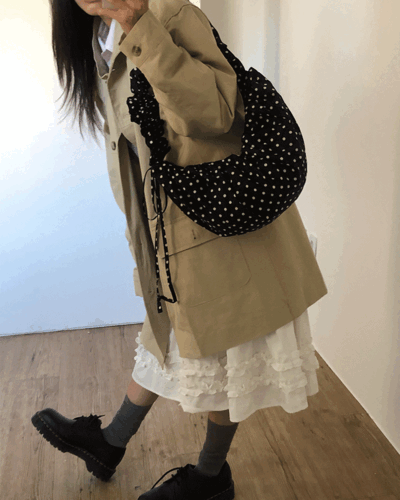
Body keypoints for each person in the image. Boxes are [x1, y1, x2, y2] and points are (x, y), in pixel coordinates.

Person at [31, 0, 328, 498]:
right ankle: (110, 442)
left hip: (220, 229)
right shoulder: (100, 38)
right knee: (167, 344)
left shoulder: (167, 15)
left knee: (224, 360)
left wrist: (138, 26)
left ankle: (209, 479)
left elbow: (214, 114)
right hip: (174, 235)